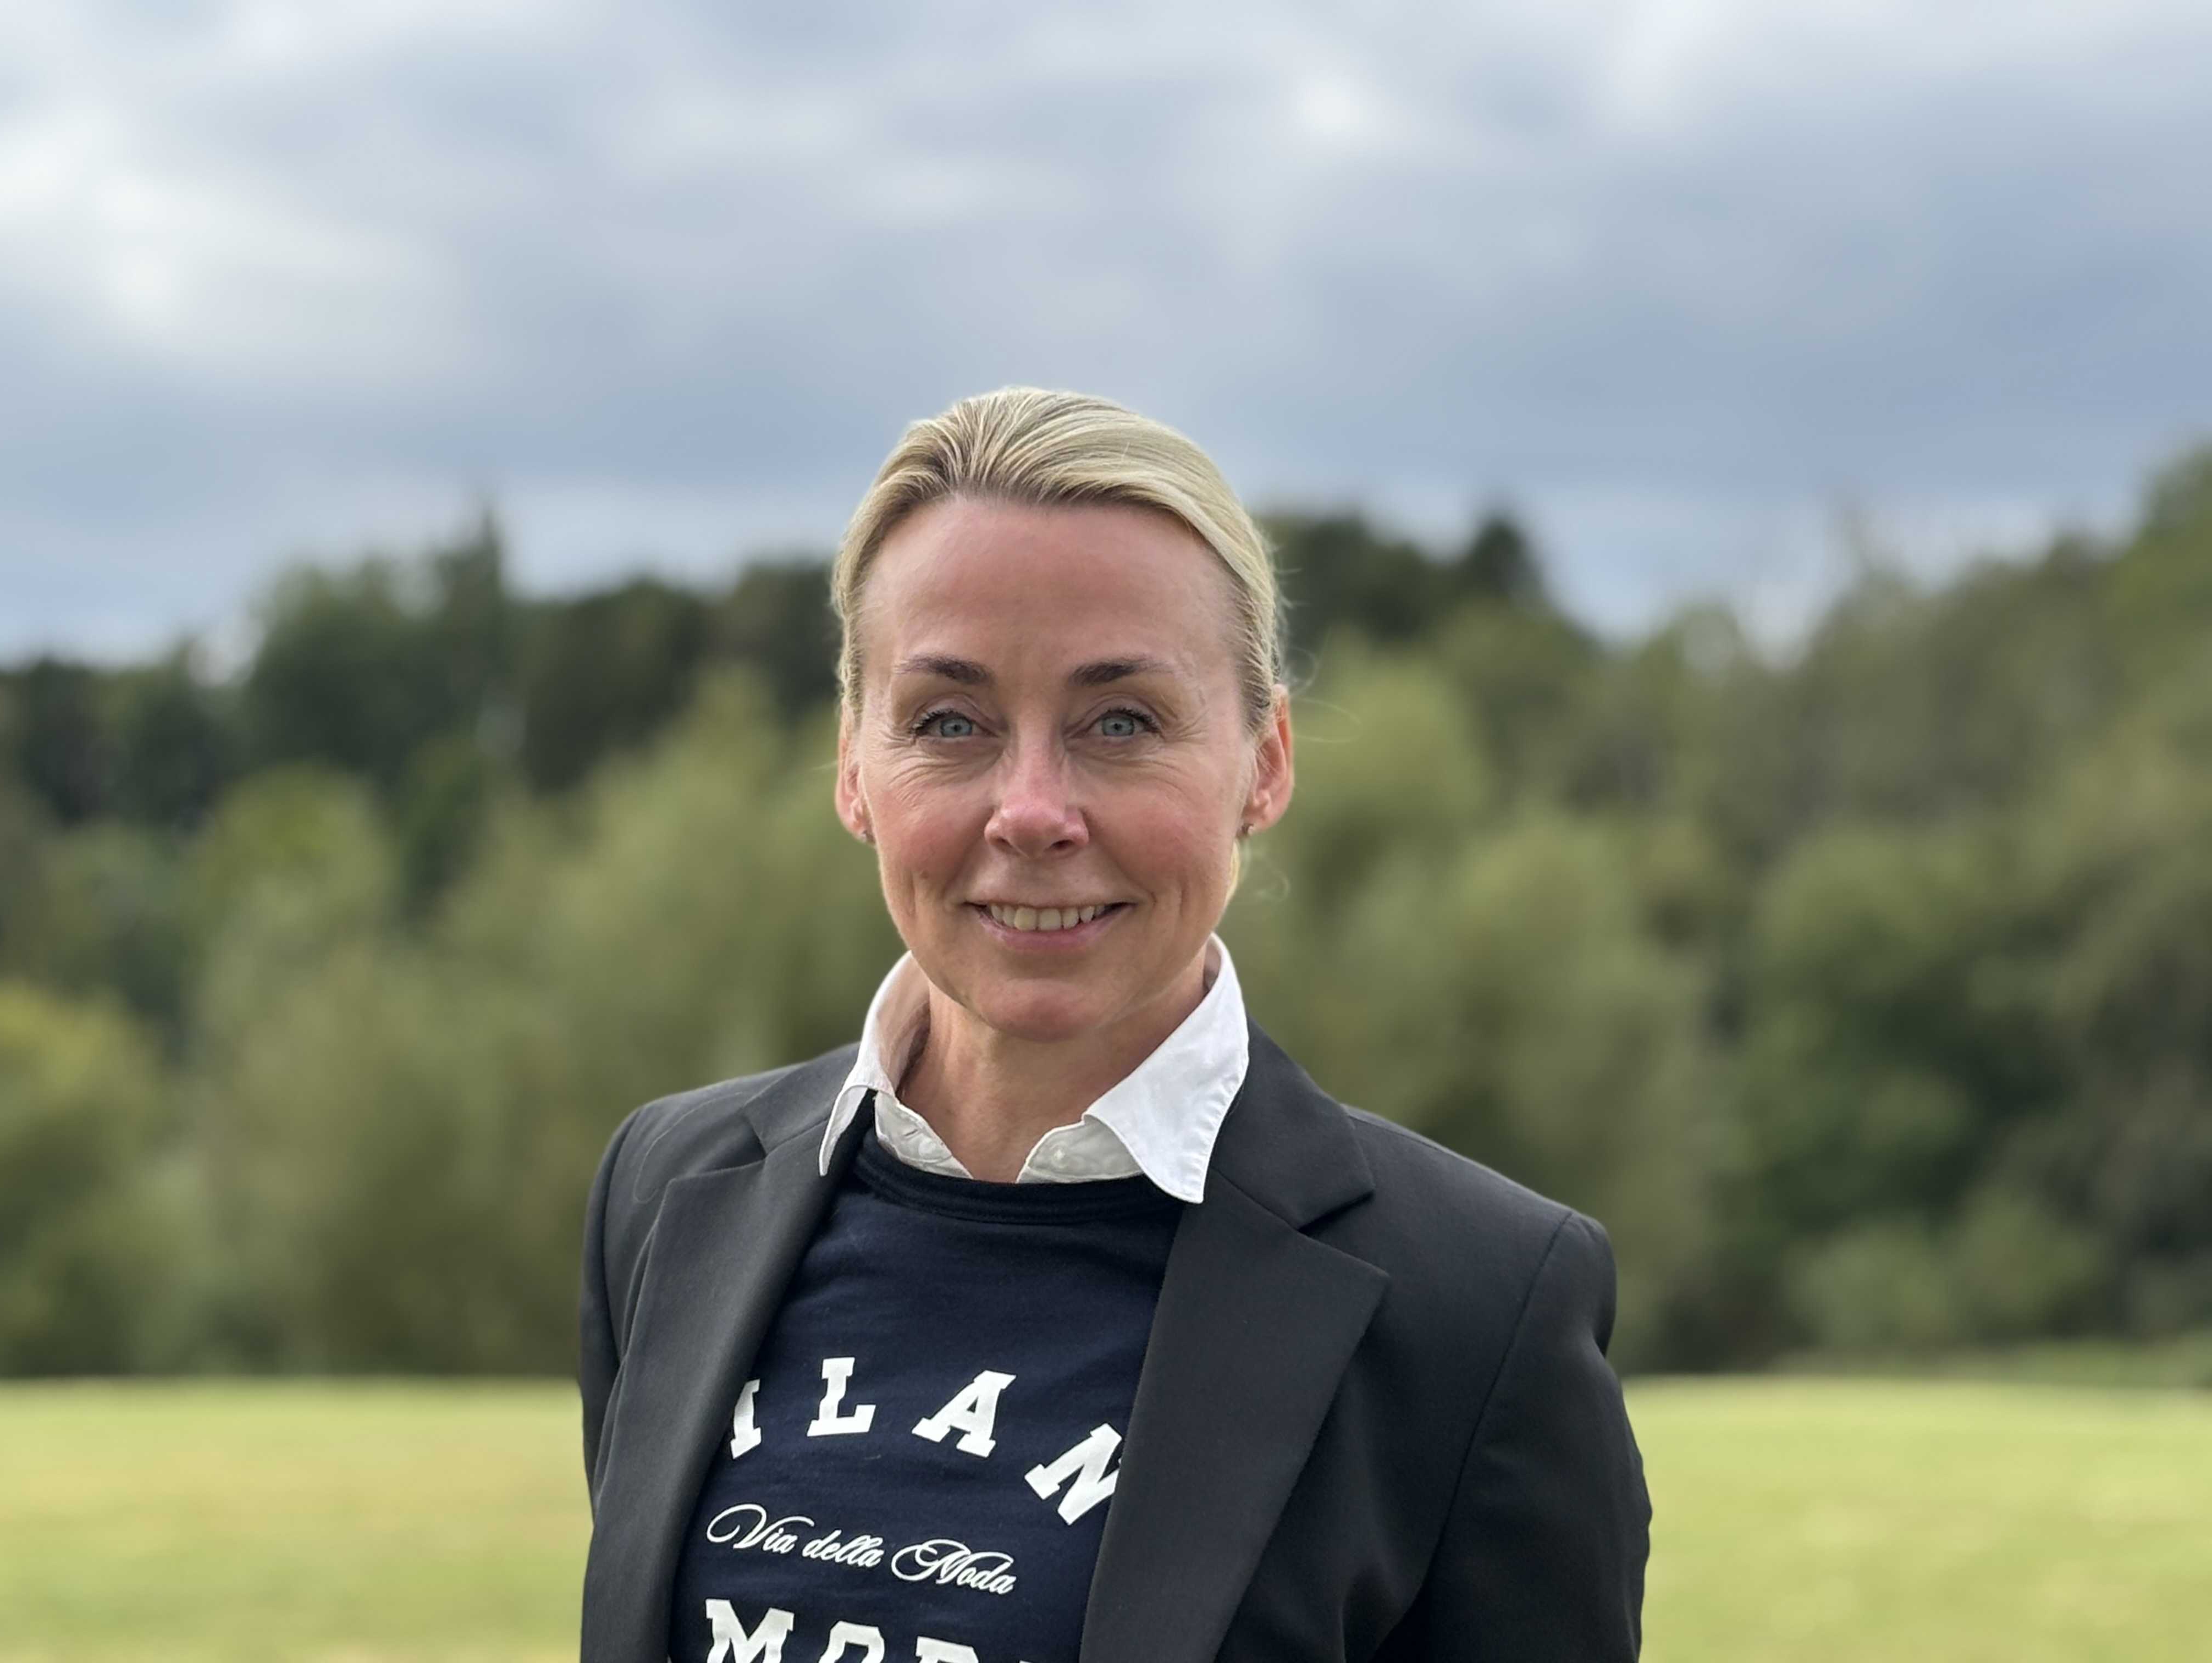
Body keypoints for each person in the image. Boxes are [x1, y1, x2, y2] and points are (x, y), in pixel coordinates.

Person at [576, 388, 1651, 1663]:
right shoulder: (670, 1190)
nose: (1033, 811)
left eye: (1123, 721)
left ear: (1266, 761)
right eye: (950, 722)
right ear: (854, 766)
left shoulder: (1478, 1309)